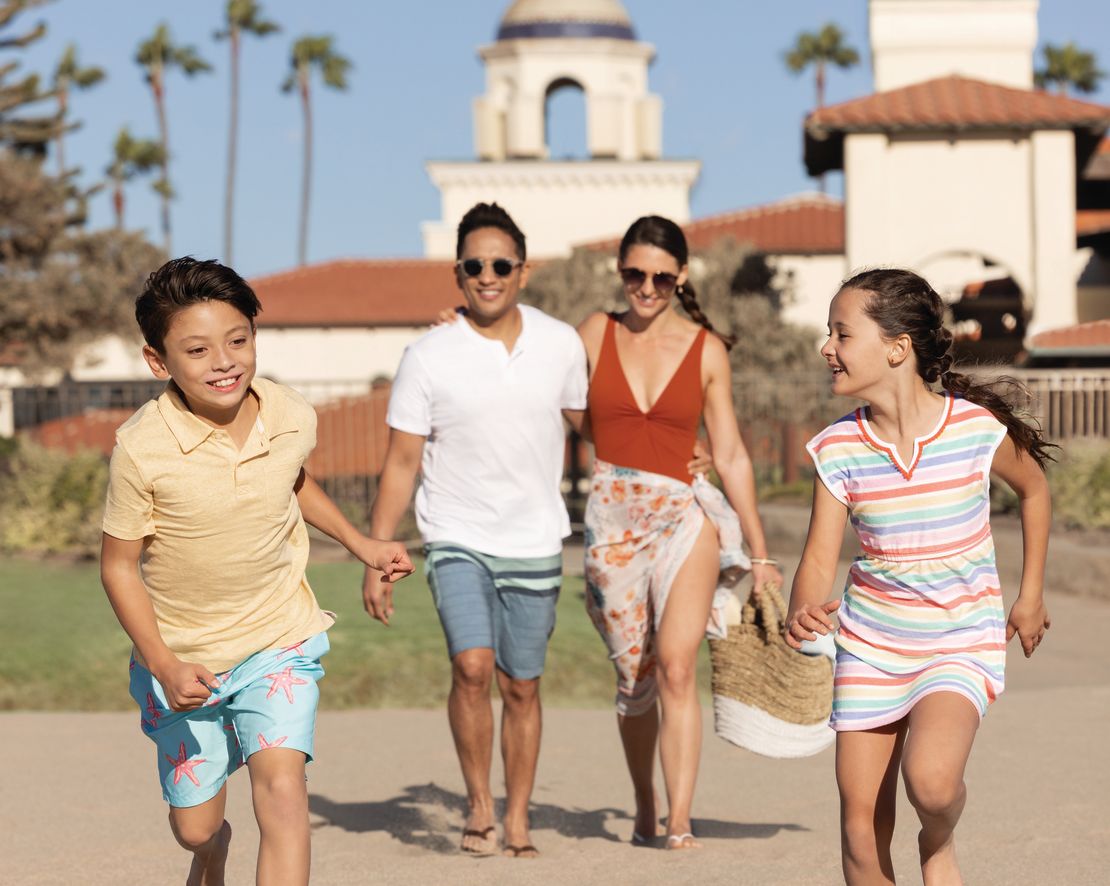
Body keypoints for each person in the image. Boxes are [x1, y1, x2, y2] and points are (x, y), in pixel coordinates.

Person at [100, 257, 413, 886]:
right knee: (195, 825)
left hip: (278, 640)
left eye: (238, 340)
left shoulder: (290, 413)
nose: (225, 361)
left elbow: (291, 480)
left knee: (284, 793)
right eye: (197, 349)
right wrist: (161, 661)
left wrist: (361, 542)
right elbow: (118, 568)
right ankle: (212, 852)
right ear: (159, 362)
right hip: (185, 660)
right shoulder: (142, 448)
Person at [785, 268, 1052, 885]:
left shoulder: (974, 429)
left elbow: (1035, 490)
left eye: (841, 333)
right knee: (860, 828)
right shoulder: (837, 448)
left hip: (957, 641)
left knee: (931, 787)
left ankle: (939, 841)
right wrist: (804, 605)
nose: (827, 347)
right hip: (870, 647)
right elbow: (821, 558)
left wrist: (1029, 594)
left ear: (896, 348)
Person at [577, 215, 783, 850]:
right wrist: (461, 321)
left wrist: (760, 551)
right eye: (635, 274)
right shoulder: (591, 333)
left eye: (661, 277)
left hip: (682, 517)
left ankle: (679, 817)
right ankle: (644, 803)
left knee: (674, 665)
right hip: (612, 519)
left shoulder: (705, 349)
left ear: (681, 277)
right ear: (620, 271)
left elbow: (734, 454)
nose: (646, 287)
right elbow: (538, 388)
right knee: (634, 677)